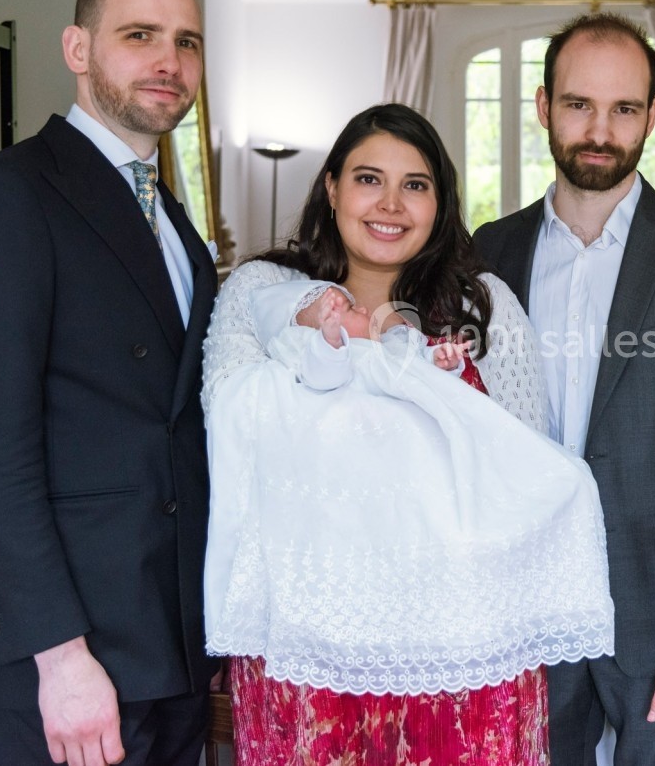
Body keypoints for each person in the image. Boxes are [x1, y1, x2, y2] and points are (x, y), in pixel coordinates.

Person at [201, 102, 614, 765]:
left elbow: (521, 470)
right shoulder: (267, 291)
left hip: (463, 656)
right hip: (309, 651)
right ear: (331, 186)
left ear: (440, 202)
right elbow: (231, 429)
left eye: (415, 185)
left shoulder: (483, 306)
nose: (390, 203)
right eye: (368, 179)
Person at [0, 0, 217, 766]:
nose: (170, 61)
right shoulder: (7, 198)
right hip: (71, 652)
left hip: (174, 645)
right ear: (78, 50)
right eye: (140, 36)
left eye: (186, 42)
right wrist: (59, 656)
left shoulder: (177, 228)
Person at [472, 13, 655, 766]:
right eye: (578, 104)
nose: (600, 129)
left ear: (652, 117)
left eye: (625, 108)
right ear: (543, 108)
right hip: (520, 607)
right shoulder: (485, 252)